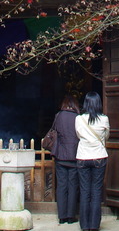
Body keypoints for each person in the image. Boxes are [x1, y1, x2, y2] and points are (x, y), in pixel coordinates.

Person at [75, 92, 109, 231]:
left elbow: (78, 135)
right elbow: (106, 136)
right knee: (96, 191)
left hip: (83, 156)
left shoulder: (79, 119)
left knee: (84, 191)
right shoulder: (104, 119)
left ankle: (84, 225)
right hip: (99, 156)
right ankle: (94, 225)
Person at [51, 95, 81, 224]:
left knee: (62, 185)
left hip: (61, 156)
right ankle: (71, 216)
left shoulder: (59, 116)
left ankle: (62, 216)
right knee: (73, 186)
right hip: (74, 155)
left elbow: (53, 130)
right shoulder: (78, 118)